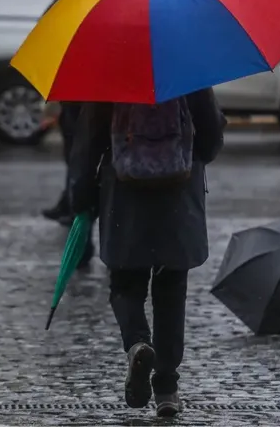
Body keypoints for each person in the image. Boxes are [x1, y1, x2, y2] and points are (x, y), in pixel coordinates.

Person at [68, 89, 226, 416]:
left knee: (125, 285)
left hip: (125, 195)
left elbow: (88, 141)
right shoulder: (187, 71)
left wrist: (81, 196)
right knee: (171, 290)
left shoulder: (110, 76)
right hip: (179, 194)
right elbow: (211, 137)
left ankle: (138, 343)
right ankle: (167, 387)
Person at [42, 0, 118, 236]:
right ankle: (91, 214)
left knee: (79, 160)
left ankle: (79, 220)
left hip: (77, 93)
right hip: (110, 94)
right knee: (109, 162)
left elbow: (50, 36)